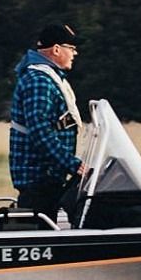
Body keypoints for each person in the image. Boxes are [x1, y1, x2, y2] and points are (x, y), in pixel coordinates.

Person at [9, 23, 86, 219]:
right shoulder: (39, 81)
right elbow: (40, 131)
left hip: (49, 179)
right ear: (57, 49)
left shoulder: (48, 78)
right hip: (39, 179)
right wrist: (73, 165)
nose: (75, 53)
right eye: (72, 48)